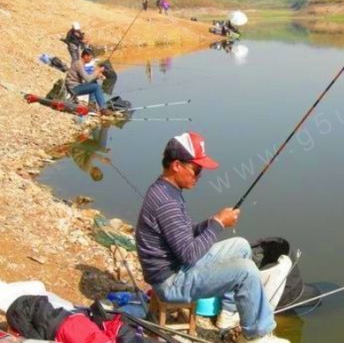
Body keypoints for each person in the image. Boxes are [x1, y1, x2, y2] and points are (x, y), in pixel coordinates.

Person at [135, 132, 289, 343]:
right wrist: (218, 225)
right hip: (171, 280)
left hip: (177, 266)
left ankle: (228, 313)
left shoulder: (166, 189)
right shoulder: (167, 203)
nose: (199, 176)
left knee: (241, 246)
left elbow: (182, 236)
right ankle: (257, 335)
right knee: (246, 271)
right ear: (177, 165)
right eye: (196, 170)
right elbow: (189, 255)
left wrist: (211, 222)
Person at [65, 49, 111, 116]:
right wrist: (97, 71)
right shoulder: (79, 64)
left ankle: (91, 104)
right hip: (73, 88)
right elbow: (87, 79)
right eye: (90, 58)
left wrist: (97, 76)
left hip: (76, 86)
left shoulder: (81, 64)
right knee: (97, 87)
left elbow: (87, 78)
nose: (91, 60)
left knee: (94, 82)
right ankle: (103, 108)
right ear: (86, 56)